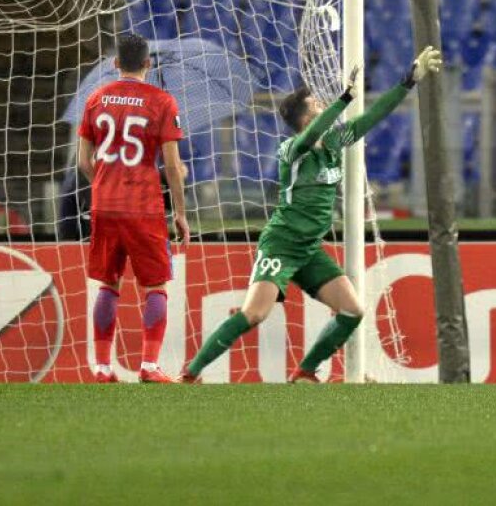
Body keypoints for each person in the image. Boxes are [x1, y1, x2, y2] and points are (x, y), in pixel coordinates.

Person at [181, 46, 443, 383]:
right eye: (317, 104)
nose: (322, 106)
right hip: (282, 244)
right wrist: (344, 98)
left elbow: (375, 115)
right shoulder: (292, 151)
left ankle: (305, 371)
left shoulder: (335, 143)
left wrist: (407, 82)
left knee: (352, 310)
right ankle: (191, 372)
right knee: (254, 313)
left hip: (309, 250)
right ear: (307, 117)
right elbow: (313, 133)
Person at [77, 33, 190, 383]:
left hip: (104, 205)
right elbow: (172, 167)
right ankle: (149, 366)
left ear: (115, 64)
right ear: (148, 64)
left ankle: (102, 367)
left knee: (108, 285)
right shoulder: (162, 101)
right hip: (144, 207)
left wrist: (107, 182)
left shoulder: (95, 98)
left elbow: (83, 161)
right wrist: (181, 214)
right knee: (155, 287)